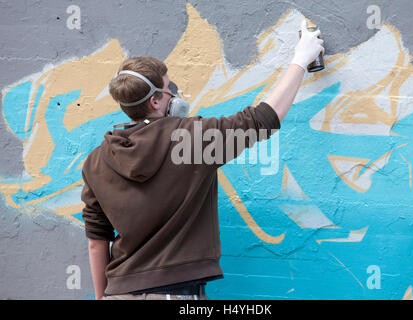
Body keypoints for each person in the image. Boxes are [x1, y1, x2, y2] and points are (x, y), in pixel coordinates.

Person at [81, 20, 324, 300]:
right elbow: (263, 120)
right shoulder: (189, 141)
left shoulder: (95, 161)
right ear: (156, 101)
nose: (174, 92)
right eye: (169, 87)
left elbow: (97, 241)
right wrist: (301, 59)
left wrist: (102, 298)